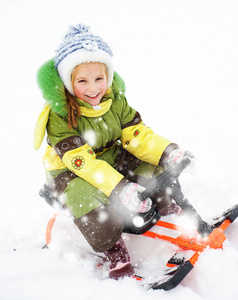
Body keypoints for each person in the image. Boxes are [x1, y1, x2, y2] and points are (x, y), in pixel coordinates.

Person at [34, 23, 192, 280]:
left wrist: (168, 152)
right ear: (67, 82)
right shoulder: (60, 116)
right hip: (70, 172)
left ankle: (163, 206)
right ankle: (113, 249)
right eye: (82, 81)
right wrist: (120, 188)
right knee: (82, 196)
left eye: (99, 78)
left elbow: (137, 135)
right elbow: (82, 162)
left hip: (109, 157)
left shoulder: (114, 100)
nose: (93, 88)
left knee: (148, 168)